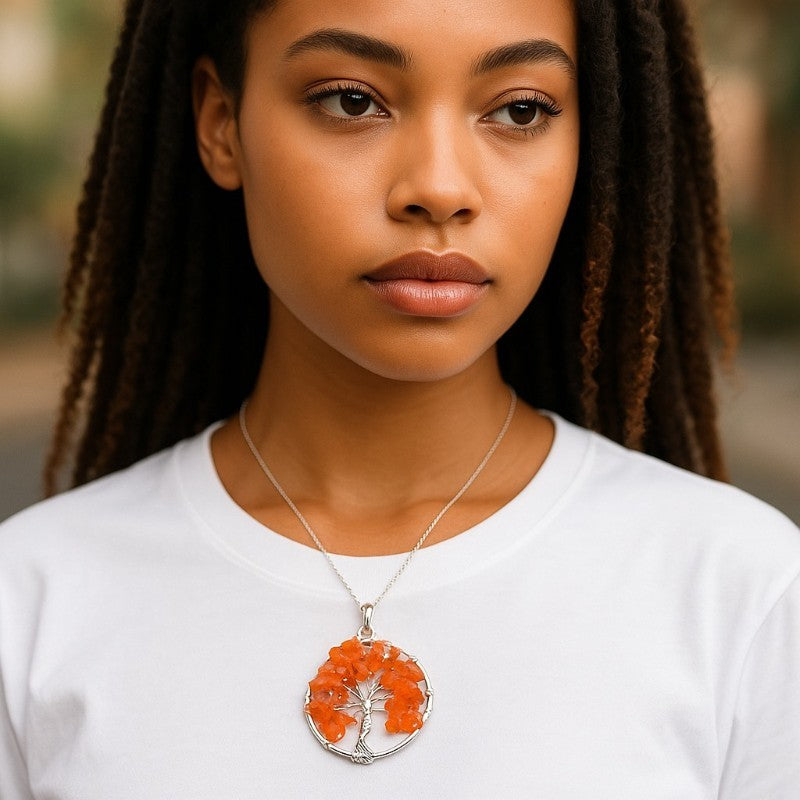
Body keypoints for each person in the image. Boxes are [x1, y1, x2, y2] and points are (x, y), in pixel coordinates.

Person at [1, 0, 798, 796]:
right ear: (220, 123)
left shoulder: (745, 595)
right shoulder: (32, 602)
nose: (440, 189)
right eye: (352, 101)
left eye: (521, 110)